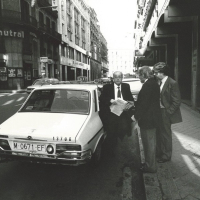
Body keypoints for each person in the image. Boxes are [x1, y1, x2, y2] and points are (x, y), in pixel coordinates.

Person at [153, 62, 182, 163]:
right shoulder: (158, 81)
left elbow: (177, 101)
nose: (155, 74)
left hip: (165, 112)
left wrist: (169, 112)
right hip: (158, 112)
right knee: (159, 133)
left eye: (157, 72)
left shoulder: (172, 83)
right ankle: (160, 153)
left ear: (162, 72)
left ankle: (166, 156)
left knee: (166, 134)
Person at [134, 66, 161, 173]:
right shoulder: (152, 83)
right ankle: (149, 164)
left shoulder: (148, 85)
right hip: (152, 118)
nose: (138, 77)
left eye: (139, 75)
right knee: (150, 143)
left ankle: (150, 167)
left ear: (143, 75)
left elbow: (144, 104)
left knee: (149, 144)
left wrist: (136, 116)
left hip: (148, 120)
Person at [99, 71, 135, 149]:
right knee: (111, 132)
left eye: (120, 77)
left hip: (123, 113)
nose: (118, 78)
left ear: (122, 78)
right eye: (116, 77)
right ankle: (113, 149)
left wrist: (128, 105)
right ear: (113, 79)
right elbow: (102, 98)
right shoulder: (107, 87)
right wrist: (110, 100)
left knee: (124, 131)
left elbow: (131, 99)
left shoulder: (126, 86)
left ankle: (123, 147)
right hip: (112, 113)